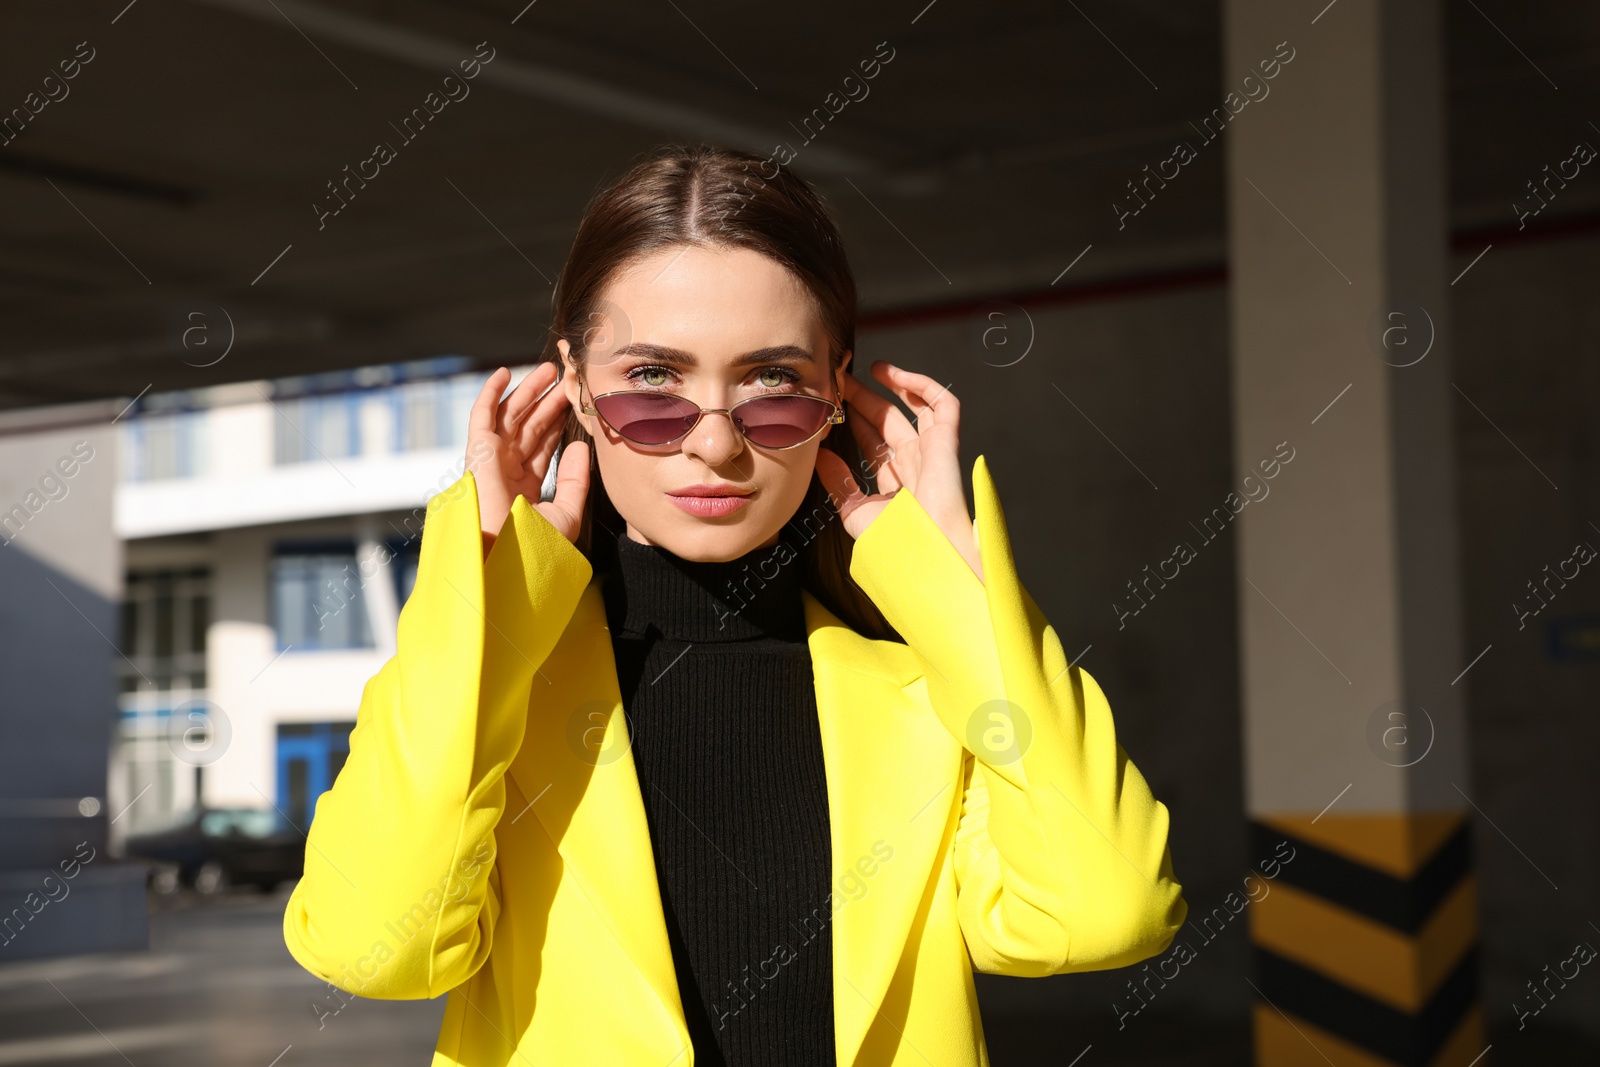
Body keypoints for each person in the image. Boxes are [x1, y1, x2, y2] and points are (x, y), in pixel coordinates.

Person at [283, 143, 1185, 1066]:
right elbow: (371, 947)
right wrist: (491, 595)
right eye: (652, 382)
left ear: (837, 389)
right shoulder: (493, 699)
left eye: (771, 383)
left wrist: (955, 581)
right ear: (576, 388)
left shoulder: (927, 697)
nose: (714, 444)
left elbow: (1102, 916)